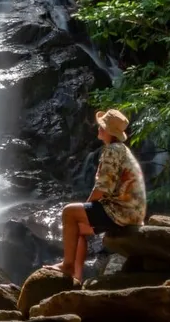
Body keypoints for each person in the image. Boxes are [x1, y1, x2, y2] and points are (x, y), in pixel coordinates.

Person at [46, 108, 146, 283]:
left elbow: (103, 188)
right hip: (132, 212)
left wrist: (86, 208)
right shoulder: (120, 149)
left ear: (108, 131)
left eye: (102, 126)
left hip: (120, 211)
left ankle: (67, 265)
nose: (98, 128)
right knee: (78, 228)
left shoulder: (112, 151)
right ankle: (76, 276)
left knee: (69, 213)